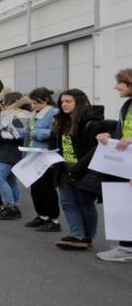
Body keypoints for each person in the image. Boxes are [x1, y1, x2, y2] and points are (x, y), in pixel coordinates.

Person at [51, 89, 106, 251]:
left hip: (84, 171)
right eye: (62, 102)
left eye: (68, 101)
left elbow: (95, 150)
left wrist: (78, 169)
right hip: (63, 169)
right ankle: (77, 235)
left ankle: (87, 236)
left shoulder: (91, 122)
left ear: (79, 102)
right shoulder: (61, 120)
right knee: (68, 203)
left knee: (85, 204)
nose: (64, 104)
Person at [95, 69, 132, 262]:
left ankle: (127, 249)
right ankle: (126, 246)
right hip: (126, 163)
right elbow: (123, 131)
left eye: (119, 83)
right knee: (124, 204)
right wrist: (109, 137)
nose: (115, 86)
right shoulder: (127, 105)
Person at [0, 92, 32, 221]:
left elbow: (18, 135)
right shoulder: (15, 114)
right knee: (10, 179)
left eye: (4, 102)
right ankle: (14, 206)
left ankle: (9, 206)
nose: (2, 104)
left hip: (9, 150)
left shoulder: (19, 115)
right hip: (9, 150)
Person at [25, 87, 61, 232]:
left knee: (47, 188)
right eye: (32, 103)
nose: (33, 106)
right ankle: (42, 215)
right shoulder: (35, 113)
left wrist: (36, 133)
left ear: (46, 100)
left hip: (46, 155)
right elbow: (29, 132)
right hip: (33, 154)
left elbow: (55, 131)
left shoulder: (53, 112)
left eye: (36, 103)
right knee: (35, 188)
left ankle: (54, 219)